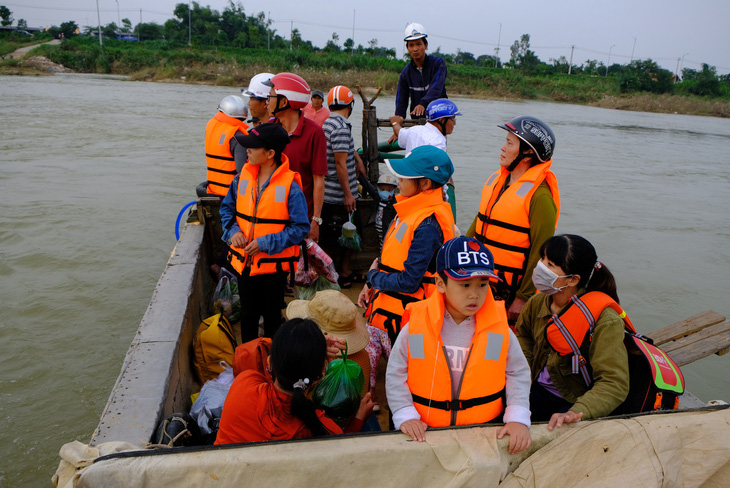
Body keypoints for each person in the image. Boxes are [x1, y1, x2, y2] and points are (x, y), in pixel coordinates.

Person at [386, 236, 532, 453]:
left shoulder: (499, 330)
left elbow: (517, 372)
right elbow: (397, 373)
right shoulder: (417, 327)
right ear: (440, 284)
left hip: (484, 429)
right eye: (465, 284)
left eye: (483, 284)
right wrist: (405, 414)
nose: (475, 294)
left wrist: (518, 417)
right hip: (426, 431)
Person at [358, 146, 456, 413]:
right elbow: (390, 258)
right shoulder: (408, 210)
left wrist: (374, 278)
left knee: (410, 381)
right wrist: (371, 285)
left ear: (424, 184)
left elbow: (410, 282)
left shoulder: (428, 224)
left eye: (404, 176)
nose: (398, 180)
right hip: (384, 309)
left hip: (406, 318)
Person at [515, 234, 630, 430]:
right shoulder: (537, 302)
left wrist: (575, 412)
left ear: (573, 279)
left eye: (550, 264)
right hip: (536, 388)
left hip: (573, 399)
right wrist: (522, 372)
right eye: (542, 259)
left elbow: (614, 383)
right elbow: (523, 334)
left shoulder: (604, 320)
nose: (540, 267)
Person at [219, 123, 310, 342]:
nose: (247, 151)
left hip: (273, 268)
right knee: (248, 315)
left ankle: (271, 365)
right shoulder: (241, 178)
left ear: (270, 153)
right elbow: (226, 210)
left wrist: (265, 243)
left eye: (253, 147)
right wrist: (232, 231)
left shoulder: (291, 186)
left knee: (271, 316)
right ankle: (249, 364)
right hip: (245, 264)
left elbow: (300, 229)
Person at [215, 318, 373, 444]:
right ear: (319, 376)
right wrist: (359, 419)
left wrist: (306, 349)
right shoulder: (322, 428)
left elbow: (253, 350)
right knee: (370, 420)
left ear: (269, 363)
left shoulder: (243, 383)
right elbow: (341, 448)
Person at [467, 116, 560, 325]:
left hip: (507, 291)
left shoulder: (540, 197)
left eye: (509, 143)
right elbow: (480, 222)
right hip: (478, 279)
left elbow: (541, 251)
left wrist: (523, 297)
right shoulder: (498, 182)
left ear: (528, 153)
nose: (502, 148)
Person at [264, 72, 328, 242]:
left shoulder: (315, 133)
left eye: (270, 97)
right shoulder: (269, 129)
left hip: (300, 219)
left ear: (284, 101)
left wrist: (315, 220)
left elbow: (318, 180)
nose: (267, 102)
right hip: (270, 214)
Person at [321, 85, 368, 287]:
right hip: (338, 195)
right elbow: (340, 163)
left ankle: (341, 271)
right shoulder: (340, 128)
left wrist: (356, 159)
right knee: (342, 237)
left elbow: (345, 150)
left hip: (330, 191)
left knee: (341, 236)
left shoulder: (329, 124)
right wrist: (348, 195)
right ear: (350, 105)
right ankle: (341, 273)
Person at [389, 98, 462, 219]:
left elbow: (400, 134)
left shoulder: (415, 130)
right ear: (442, 120)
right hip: (425, 195)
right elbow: (436, 174)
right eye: (453, 119)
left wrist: (394, 123)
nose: (454, 124)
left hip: (409, 188)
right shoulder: (438, 142)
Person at [393, 23, 447, 121]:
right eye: (411, 45)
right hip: (417, 121)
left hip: (438, 120)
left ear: (425, 45)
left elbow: (436, 88)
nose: (415, 49)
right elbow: (401, 100)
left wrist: (423, 103)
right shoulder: (406, 73)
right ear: (407, 48)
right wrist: (398, 120)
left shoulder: (438, 64)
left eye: (418, 44)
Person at [204, 95, 249, 197]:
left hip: (213, 188)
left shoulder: (211, 126)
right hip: (231, 194)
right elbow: (242, 170)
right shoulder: (238, 137)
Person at [374, 173, 398, 250]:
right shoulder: (378, 200)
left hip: (387, 231)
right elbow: (368, 187)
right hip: (378, 230)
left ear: (394, 191)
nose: (385, 192)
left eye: (389, 190)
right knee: (381, 244)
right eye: (382, 189)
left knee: (386, 245)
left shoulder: (394, 205)